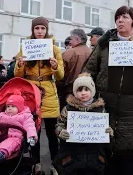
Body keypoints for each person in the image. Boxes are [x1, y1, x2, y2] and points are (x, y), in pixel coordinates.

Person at [82, 6, 133, 175]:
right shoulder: (104, 44)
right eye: (118, 17)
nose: (120, 20)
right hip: (105, 105)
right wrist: (84, 90)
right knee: (104, 151)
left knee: (130, 152)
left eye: (125, 17)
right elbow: (89, 70)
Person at [14, 16, 64, 174]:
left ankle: (55, 164)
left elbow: (61, 75)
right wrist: (20, 65)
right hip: (30, 91)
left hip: (48, 91)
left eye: (43, 28)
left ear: (46, 30)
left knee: (51, 132)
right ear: (33, 30)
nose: (40, 31)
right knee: (33, 131)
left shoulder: (55, 49)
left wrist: (55, 67)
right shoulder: (26, 47)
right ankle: (36, 164)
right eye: (37, 28)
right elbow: (17, 74)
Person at [53, 72, 113, 175]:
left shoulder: (100, 109)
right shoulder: (68, 109)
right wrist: (61, 132)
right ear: (75, 92)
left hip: (94, 158)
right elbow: (59, 125)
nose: (83, 93)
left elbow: (105, 129)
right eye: (79, 90)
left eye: (87, 89)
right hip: (72, 156)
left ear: (92, 91)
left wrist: (109, 131)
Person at [56, 29, 91, 111]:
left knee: (66, 118)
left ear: (78, 39)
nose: (70, 42)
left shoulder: (68, 53)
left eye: (71, 39)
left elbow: (60, 75)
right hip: (88, 93)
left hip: (69, 92)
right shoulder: (92, 52)